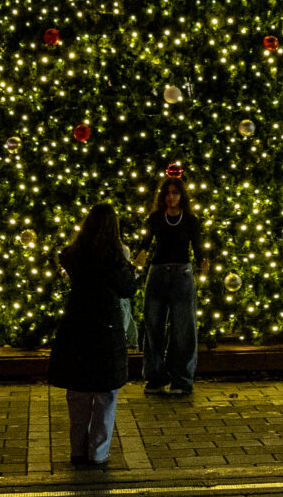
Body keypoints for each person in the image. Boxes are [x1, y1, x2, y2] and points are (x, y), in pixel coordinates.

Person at [47, 202, 138, 468]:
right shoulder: (115, 256)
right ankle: (98, 452)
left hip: (76, 327)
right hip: (105, 329)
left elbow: (65, 259)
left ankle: (77, 449)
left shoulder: (74, 254)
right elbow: (127, 288)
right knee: (106, 395)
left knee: (78, 393)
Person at [142, 175, 203, 397]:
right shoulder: (156, 218)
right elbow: (146, 243)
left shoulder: (191, 220)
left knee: (184, 328)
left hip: (182, 274)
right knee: (153, 325)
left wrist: (203, 262)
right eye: (167, 193)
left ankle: (182, 379)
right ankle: (155, 377)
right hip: (157, 272)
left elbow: (197, 246)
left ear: (181, 196)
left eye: (175, 193)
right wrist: (139, 256)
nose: (171, 197)